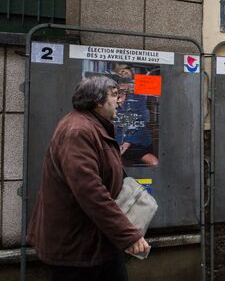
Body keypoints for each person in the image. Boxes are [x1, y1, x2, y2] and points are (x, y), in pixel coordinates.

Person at [27, 76, 150, 281]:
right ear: (97, 101)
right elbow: (90, 190)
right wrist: (128, 233)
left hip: (96, 241)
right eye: (114, 95)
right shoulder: (79, 131)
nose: (120, 100)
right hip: (77, 248)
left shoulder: (92, 126)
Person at [114, 64, 159, 167]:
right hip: (118, 143)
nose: (124, 77)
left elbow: (140, 121)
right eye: (121, 74)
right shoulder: (111, 96)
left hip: (137, 142)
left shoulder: (138, 95)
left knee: (154, 163)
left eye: (126, 74)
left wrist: (127, 143)